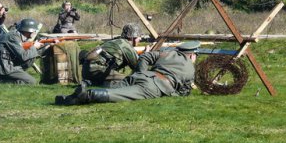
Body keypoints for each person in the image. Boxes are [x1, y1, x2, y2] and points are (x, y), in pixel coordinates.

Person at [55, 41, 199, 105]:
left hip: (142, 75)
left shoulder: (167, 53)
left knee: (116, 87)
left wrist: (141, 73)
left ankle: (69, 97)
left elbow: (145, 56)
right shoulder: (191, 69)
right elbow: (183, 92)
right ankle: (88, 95)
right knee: (119, 95)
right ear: (192, 55)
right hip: (155, 87)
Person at [0, 18, 50, 85]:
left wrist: (45, 47)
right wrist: (34, 47)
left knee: (31, 61)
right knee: (31, 82)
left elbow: (27, 55)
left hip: (5, 66)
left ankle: (1, 79)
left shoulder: (18, 37)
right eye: (34, 30)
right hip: (3, 67)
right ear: (29, 30)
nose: (35, 32)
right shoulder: (13, 37)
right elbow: (24, 56)